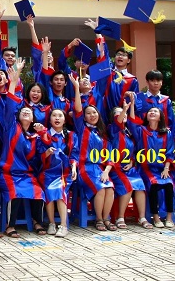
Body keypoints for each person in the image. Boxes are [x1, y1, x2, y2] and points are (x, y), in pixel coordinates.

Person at [0, 65, 46, 237]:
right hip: (7, 173)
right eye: (23, 111)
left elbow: (43, 154)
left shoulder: (35, 136)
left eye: (29, 112)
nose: (26, 112)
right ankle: (10, 226)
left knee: (39, 192)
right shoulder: (11, 127)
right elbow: (10, 104)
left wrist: (43, 134)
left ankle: (37, 221)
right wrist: (13, 81)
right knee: (14, 193)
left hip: (27, 174)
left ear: (33, 119)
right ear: (18, 116)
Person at [70, 73, 116, 232]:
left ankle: (106, 218)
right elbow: (77, 109)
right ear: (84, 117)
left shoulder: (103, 133)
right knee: (101, 189)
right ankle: (99, 219)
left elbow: (110, 156)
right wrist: (77, 88)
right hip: (85, 169)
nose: (92, 115)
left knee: (110, 188)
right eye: (88, 113)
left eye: (94, 112)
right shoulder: (81, 129)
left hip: (101, 169)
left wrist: (106, 171)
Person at [127, 98, 175, 228]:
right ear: (147, 116)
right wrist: (132, 104)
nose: (152, 112)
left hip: (162, 168)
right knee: (153, 185)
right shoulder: (141, 130)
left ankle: (169, 217)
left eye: (155, 111)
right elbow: (131, 122)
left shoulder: (167, 133)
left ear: (160, 117)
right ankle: (156, 217)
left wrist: (166, 168)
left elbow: (170, 152)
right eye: (150, 111)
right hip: (145, 168)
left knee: (169, 185)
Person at [108, 95, 153, 230]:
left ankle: (142, 217)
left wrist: (133, 163)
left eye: (124, 113)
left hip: (130, 168)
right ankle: (120, 217)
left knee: (140, 186)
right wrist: (124, 110)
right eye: (118, 114)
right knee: (128, 185)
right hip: (116, 168)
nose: (122, 115)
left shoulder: (129, 132)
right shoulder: (113, 129)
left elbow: (134, 152)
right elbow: (118, 122)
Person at [37, 108, 79, 238]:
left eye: (60, 115)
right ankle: (51, 223)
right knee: (49, 189)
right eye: (54, 115)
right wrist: (47, 153)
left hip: (64, 173)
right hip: (47, 172)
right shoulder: (44, 135)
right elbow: (37, 156)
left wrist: (74, 168)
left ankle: (63, 226)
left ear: (64, 120)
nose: (57, 118)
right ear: (49, 120)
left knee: (60, 190)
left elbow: (75, 154)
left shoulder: (71, 136)